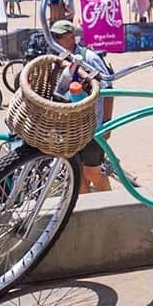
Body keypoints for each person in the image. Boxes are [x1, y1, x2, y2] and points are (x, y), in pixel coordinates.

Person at [47, 18, 114, 193]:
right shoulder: (59, 59)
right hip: (71, 129)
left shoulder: (89, 58)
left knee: (93, 172)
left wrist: (107, 123)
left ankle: (110, 205)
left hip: (93, 126)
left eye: (58, 37)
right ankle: (88, 211)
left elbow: (108, 90)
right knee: (77, 176)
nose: (54, 40)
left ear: (70, 37)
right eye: (53, 37)